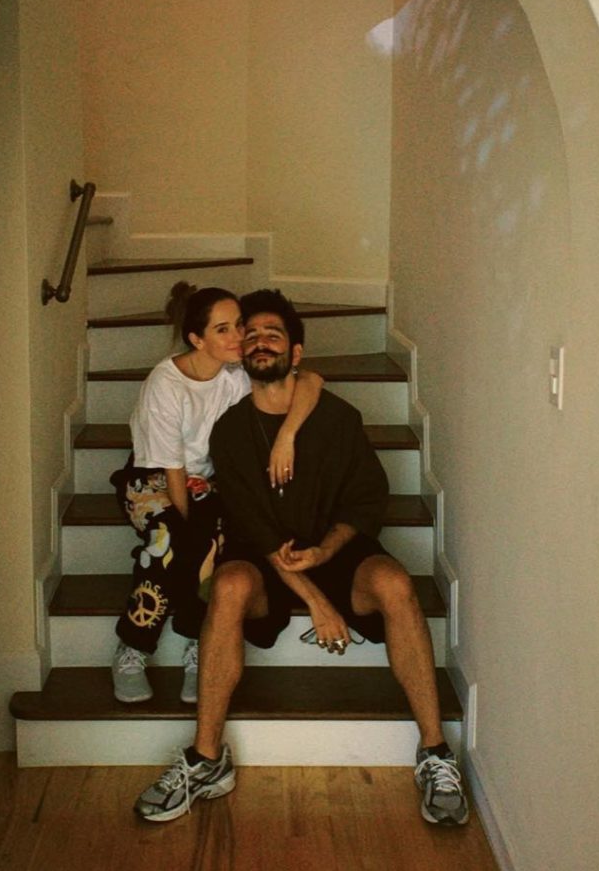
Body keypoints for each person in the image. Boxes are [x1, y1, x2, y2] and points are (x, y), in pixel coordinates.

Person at [133, 289, 469, 827]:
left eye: (274, 334)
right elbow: (251, 525)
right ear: (242, 354)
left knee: (394, 582)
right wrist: (315, 601)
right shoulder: (230, 431)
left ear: (295, 354)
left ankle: (434, 751)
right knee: (228, 586)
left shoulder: (337, 418)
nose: (260, 341)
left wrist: (326, 549)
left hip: (335, 548)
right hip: (263, 557)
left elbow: (367, 498)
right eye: (251, 334)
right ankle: (206, 759)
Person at [109, 282, 323, 705]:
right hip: (152, 479)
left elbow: (311, 381)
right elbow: (172, 470)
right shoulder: (165, 383)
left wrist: (287, 437)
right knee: (173, 541)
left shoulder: (235, 373)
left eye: (239, 325)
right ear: (197, 339)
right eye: (223, 329)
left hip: (207, 482)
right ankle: (132, 647)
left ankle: (199, 644)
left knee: (218, 547)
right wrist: (188, 528)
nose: (239, 337)